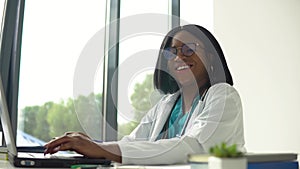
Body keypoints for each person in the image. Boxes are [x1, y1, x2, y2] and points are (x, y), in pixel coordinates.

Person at [44, 24, 245, 165]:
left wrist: (104, 150)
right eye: (172, 52)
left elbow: (192, 147)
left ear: (210, 56)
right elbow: (132, 143)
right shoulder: (166, 105)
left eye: (188, 49)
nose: (179, 57)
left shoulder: (223, 96)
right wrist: (93, 145)